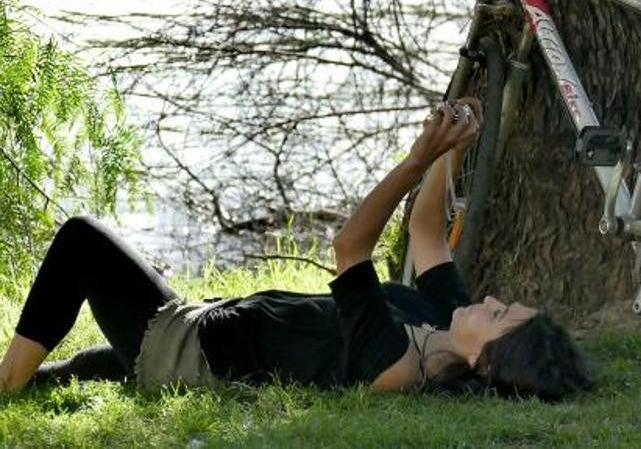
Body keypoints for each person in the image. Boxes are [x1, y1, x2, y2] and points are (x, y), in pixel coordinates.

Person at [0, 98, 592, 400]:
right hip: (207, 325)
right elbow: (427, 235)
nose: (488, 300)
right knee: (78, 372)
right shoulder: (443, 326)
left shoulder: (394, 362)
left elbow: (351, 247)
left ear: (486, 362)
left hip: (183, 349)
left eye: (499, 315)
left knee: (81, 238)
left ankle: (8, 385)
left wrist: (415, 159)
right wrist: (451, 151)